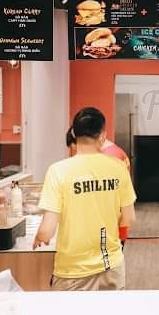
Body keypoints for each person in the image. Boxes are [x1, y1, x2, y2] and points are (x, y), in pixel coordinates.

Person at [34, 107, 136, 291]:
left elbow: (47, 230)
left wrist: (40, 237)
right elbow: (129, 219)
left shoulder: (58, 171)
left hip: (72, 272)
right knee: (111, 311)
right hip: (111, 267)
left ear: (74, 133)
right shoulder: (118, 167)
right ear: (103, 136)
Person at [66, 127, 131, 245]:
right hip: (114, 223)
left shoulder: (108, 157)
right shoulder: (113, 152)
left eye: (75, 150)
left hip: (107, 227)